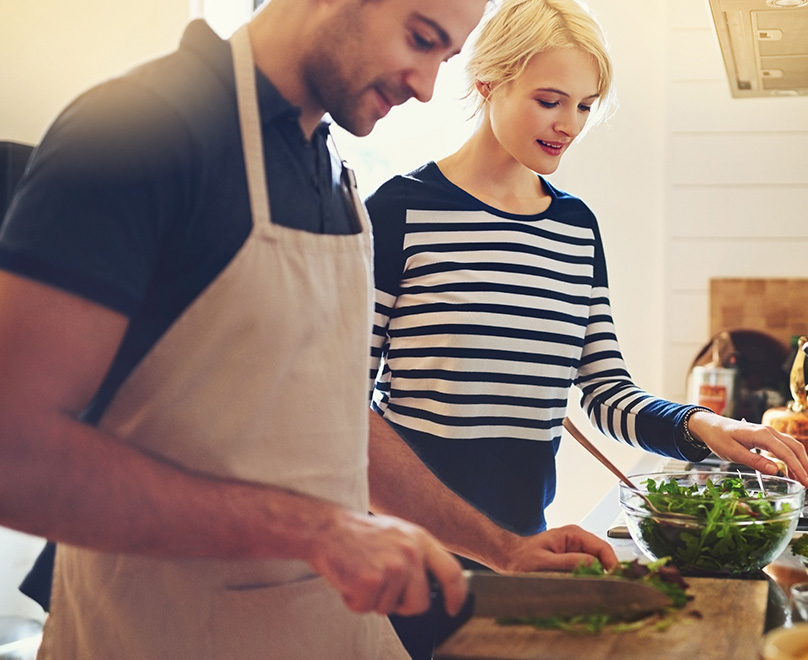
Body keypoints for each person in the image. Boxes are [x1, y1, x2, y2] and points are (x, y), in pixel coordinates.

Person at [0, 1, 616, 659]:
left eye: (445, 57)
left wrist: (506, 550)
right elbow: (15, 452)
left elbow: (337, 419)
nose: (427, 87)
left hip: (317, 630)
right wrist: (315, 532)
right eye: (420, 39)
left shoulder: (330, 171)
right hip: (161, 633)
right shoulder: (138, 132)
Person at [366, 0, 808, 556]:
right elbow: (343, 409)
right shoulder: (400, 212)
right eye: (549, 101)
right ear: (487, 83)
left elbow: (606, 393)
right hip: (406, 556)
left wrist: (706, 426)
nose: (569, 125)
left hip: (524, 552)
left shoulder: (574, 227)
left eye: (584, 105)